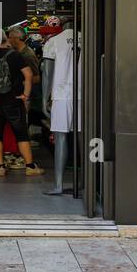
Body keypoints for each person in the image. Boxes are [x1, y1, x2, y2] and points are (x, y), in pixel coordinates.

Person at [0, 33, 43, 177]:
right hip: (14, 100)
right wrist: (25, 95)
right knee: (21, 134)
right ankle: (30, 166)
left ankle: (0, 167)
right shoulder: (15, 56)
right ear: (6, 40)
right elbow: (29, 75)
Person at [42, 18, 75, 194]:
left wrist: (44, 99)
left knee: (61, 138)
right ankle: (86, 182)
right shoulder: (86, 38)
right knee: (84, 139)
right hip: (85, 96)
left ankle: (59, 184)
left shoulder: (53, 42)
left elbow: (47, 73)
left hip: (61, 95)